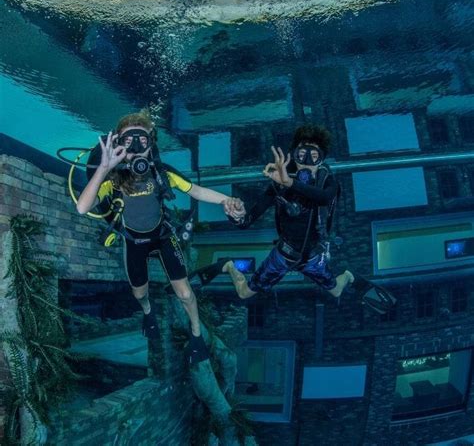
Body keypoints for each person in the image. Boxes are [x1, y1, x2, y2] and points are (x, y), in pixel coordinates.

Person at [76, 110, 240, 365]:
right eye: (129, 142)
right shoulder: (113, 180)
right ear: (119, 145)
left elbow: (196, 191)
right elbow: (82, 207)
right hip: (134, 241)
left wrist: (226, 200)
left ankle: (197, 336)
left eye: (142, 141)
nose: (136, 148)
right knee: (139, 294)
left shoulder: (162, 174)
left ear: (150, 144)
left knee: (185, 294)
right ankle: (147, 312)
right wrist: (104, 168)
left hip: (163, 237)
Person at [223, 124, 354, 299]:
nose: (307, 162)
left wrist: (290, 183)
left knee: (336, 291)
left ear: (322, 160)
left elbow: (324, 198)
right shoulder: (280, 184)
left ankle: (347, 275)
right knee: (244, 293)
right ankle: (230, 266)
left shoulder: (327, 182)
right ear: (293, 156)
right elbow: (246, 222)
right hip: (283, 255)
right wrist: (236, 215)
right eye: (302, 155)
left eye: (314, 157)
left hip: (313, 257)